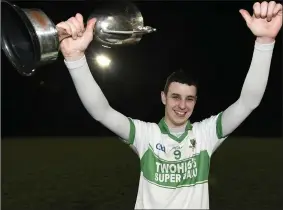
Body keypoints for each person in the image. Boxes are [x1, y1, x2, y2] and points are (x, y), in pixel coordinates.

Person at [56, 1, 282, 209]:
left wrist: (265, 42)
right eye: (175, 97)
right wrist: (75, 59)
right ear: (164, 97)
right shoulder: (146, 136)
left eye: (189, 98)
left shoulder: (206, 135)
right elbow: (101, 112)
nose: (182, 105)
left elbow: (248, 102)